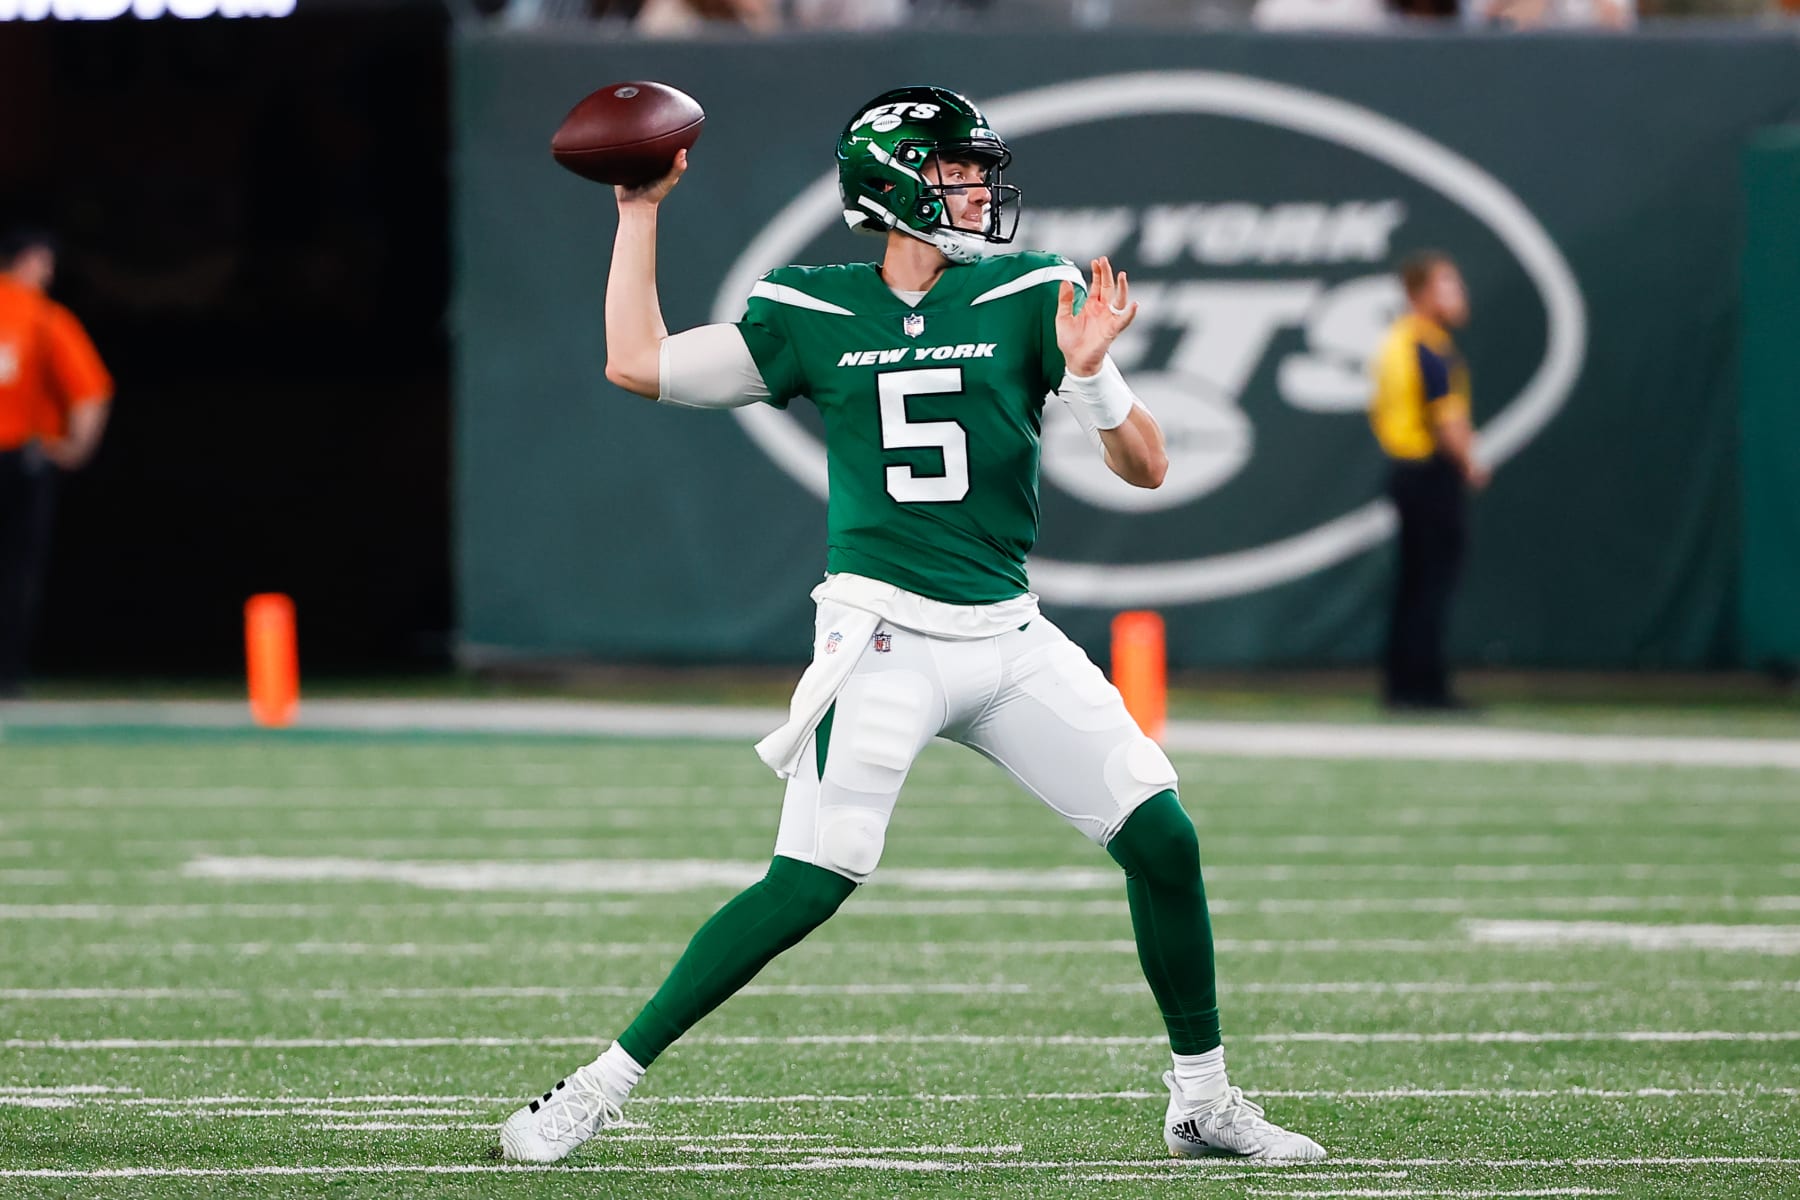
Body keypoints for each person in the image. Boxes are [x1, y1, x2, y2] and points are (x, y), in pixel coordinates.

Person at [497, 85, 1325, 1164]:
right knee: (813, 875)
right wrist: (638, 211)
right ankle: (597, 1088)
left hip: (1006, 632)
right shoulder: (813, 309)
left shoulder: (1036, 291)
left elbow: (1149, 466)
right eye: (957, 172)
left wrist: (1090, 381)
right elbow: (638, 363)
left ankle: (1203, 1101)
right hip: (883, 630)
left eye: (981, 170)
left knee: (1162, 834)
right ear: (893, 188)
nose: (981, 191)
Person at [1368, 250, 1487, 712]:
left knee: (1413, 582)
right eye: (1448, 284)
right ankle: (1426, 687)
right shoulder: (1426, 345)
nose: (1458, 294)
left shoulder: (1395, 341)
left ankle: (1403, 684)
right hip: (1429, 474)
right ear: (1421, 293)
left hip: (1404, 472)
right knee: (1431, 584)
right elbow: (1446, 419)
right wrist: (1470, 461)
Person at [0, 228, 114, 699]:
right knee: (16, 569)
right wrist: (74, 449)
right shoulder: (44, 318)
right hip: (22, 462)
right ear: (28, 261)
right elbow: (92, 391)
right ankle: (7, 675)